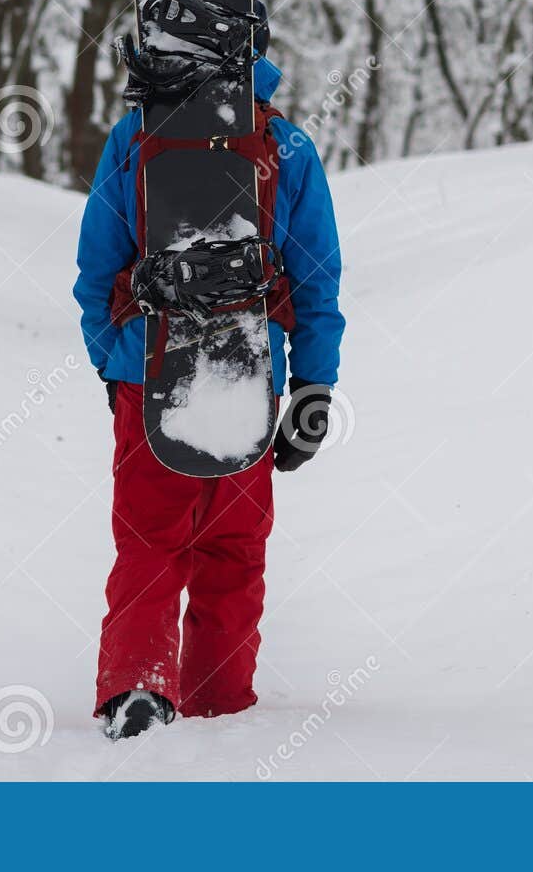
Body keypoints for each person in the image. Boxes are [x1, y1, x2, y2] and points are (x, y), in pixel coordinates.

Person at [72, 49, 344, 740]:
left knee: (148, 541)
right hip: (248, 378)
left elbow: (96, 268)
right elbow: (316, 283)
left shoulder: (133, 137)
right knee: (233, 547)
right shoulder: (286, 145)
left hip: (149, 373)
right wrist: (313, 388)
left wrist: (115, 365)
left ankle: (139, 685)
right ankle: (219, 701)